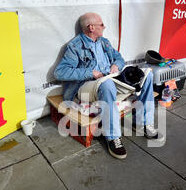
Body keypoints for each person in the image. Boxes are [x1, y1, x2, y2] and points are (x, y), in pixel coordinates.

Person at [54, 12, 163, 159]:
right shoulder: (74, 46)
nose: (104, 27)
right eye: (101, 24)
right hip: (87, 85)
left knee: (147, 74)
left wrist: (116, 66)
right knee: (107, 85)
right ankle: (113, 137)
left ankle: (143, 123)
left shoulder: (104, 42)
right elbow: (60, 72)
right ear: (91, 27)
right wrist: (89, 72)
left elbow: (119, 58)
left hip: (109, 78)